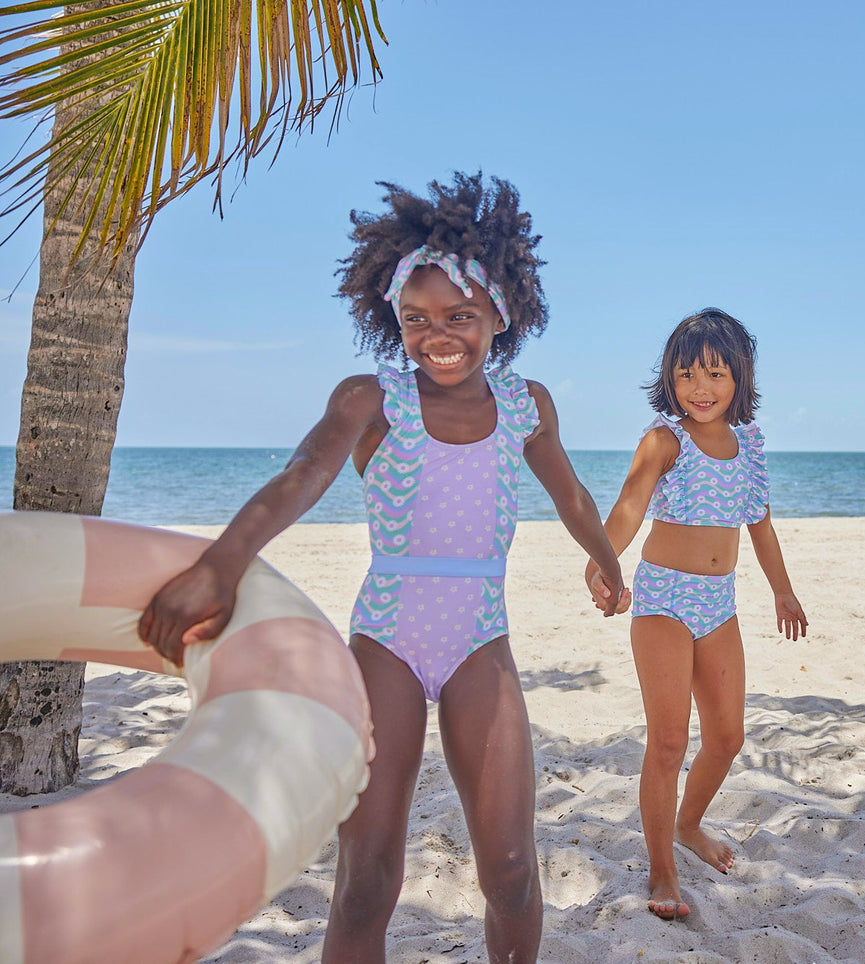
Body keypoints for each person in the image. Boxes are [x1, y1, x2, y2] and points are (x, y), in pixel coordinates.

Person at [139, 172, 625, 964]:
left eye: (460, 316)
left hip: (481, 640)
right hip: (386, 642)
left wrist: (603, 561)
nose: (439, 334)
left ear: (502, 314)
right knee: (367, 877)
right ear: (390, 320)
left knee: (509, 871)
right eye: (416, 318)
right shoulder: (373, 398)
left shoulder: (527, 404)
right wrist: (221, 564)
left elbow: (567, 491)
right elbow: (300, 474)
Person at [584, 308, 807, 921]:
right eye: (686, 375)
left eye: (714, 374)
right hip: (663, 599)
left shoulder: (751, 444)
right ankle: (661, 870)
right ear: (669, 379)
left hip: (720, 602)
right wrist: (603, 562)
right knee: (668, 740)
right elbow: (629, 507)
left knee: (728, 737)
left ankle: (689, 823)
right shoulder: (664, 439)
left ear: (739, 377)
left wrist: (782, 592)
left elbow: (759, 522)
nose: (699, 389)